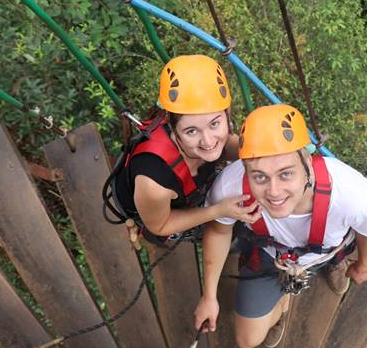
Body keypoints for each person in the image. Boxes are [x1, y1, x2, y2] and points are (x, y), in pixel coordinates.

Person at [193, 104, 367, 348]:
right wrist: (209, 295)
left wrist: (364, 265)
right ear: (245, 170)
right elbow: (218, 230)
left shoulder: (350, 193)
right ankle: (282, 304)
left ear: (307, 162)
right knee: (247, 340)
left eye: (285, 174)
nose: (273, 192)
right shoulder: (230, 187)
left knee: (335, 250)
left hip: (327, 250)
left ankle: (334, 265)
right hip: (269, 256)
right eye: (259, 176)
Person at [104, 54, 260, 246]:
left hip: (187, 191)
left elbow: (232, 146)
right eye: (191, 131)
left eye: (215, 124)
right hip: (161, 213)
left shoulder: (208, 136)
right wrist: (218, 211)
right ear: (172, 126)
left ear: (227, 113)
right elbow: (160, 226)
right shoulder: (155, 181)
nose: (208, 141)